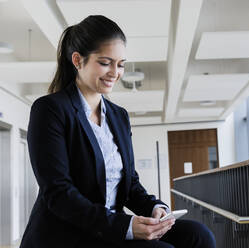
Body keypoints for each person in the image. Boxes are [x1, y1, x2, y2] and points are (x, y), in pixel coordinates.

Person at [20, 15, 216, 248]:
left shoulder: (118, 116)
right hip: (71, 231)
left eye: (121, 64)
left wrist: (156, 209)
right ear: (77, 60)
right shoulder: (50, 110)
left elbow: (129, 183)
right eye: (105, 62)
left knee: (199, 235)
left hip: (110, 228)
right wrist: (126, 226)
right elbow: (59, 194)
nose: (115, 72)